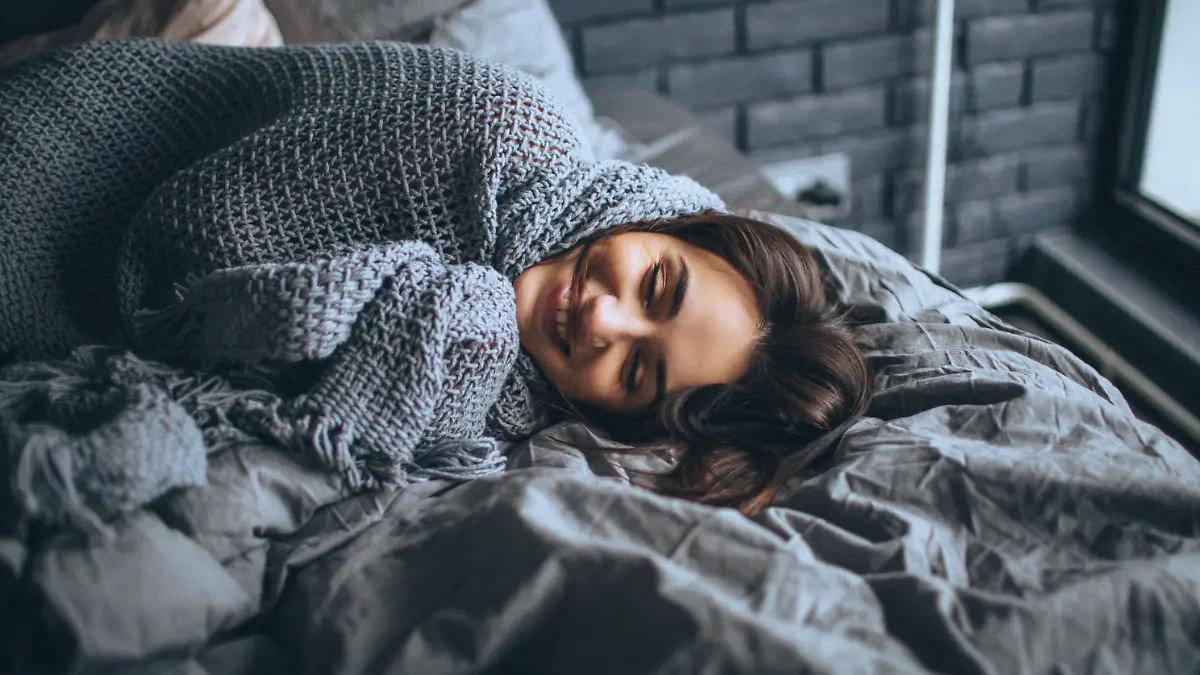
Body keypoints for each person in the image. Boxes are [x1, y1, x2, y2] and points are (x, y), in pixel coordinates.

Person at [0, 37, 867, 524]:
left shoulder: (499, 400)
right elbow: (188, 239)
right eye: (656, 285)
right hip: (56, 175)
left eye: (637, 369)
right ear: (661, 224)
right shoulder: (489, 127)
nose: (603, 320)